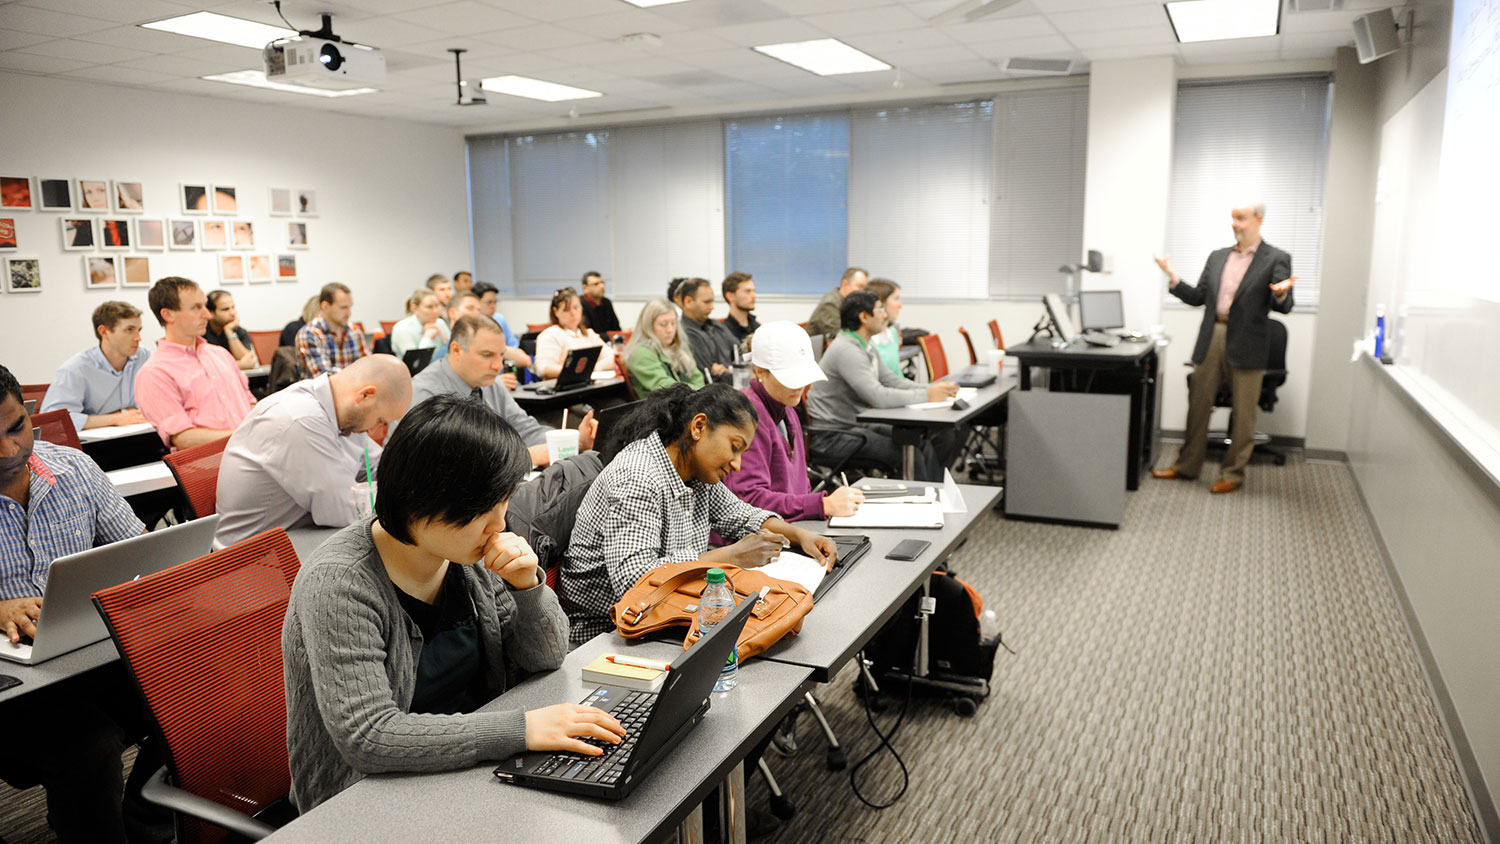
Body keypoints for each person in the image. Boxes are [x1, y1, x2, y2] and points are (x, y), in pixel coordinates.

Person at [282, 394, 622, 813]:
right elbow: (369, 737)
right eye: (484, 510)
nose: (500, 524)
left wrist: (527, 588)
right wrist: (520, 730)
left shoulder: (464, 555)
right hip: (365, 800)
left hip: (468, 770)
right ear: (423, 501)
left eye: (504, 503)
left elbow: (546, 658)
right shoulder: (341, 581)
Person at [560, 381, 837, 645]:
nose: (737, 464)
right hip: (607, 632)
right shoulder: (637, 476)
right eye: (734, 447)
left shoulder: (695, 470)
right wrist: (730, 556)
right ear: (699, 427)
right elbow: (635, 580)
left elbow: (741, 515)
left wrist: (799, 535)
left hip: (663, 612)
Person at [0, 363, 149, 844]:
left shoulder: (73, 469)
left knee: (201, 689)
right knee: (90, 748)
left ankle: (141, 825)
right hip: (14, 686)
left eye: (16, 427)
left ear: (28, 412)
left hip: (84, 652)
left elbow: (139, 551)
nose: (9, 451)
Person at [1152, 201, 1295, 494]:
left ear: (1258, 220)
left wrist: (1281, 295)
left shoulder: (1276, 258)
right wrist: (1173, 278)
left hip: (1248, 341)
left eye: (1241, 218)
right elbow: (1198, 297)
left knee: (1244, 413)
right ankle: (1186, 466)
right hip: (1212, 335)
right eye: (1233, 218)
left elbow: (1284, 305)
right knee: (1198, 405)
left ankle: (1233, 473)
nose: (1235, 224)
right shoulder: (1218, 257)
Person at [214, 355, 413, 549]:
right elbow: (345, 513)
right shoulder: (299, 420)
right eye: (380, 421)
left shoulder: (348, 415)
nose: (375, 430)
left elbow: (381, 468)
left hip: (299, 535)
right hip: (255, 558)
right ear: (365, 395)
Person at [805, 291, 959, 481]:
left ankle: (935, 493)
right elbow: (878, 397)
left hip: (855, 426)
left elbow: (892, 380)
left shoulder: (864, 345)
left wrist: (932, 389)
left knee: (918, 443)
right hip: (832, 437)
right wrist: (928, 395)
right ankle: (923, 496)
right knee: (907, 454)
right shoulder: (847, 350)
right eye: (880, 310)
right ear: (864, 317)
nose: (885, 315)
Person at [409, 315, 596, 467]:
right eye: (487, 355)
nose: (498, 366)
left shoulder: (490, 383)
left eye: (501, 356)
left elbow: (525, 429)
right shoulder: (424, 393)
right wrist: (524, 457)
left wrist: (576, 441)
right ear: (456, 350)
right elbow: (446, 465)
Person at [724, 322, 864, 521]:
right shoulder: (747, 416)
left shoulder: (787, 409)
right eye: (789, 377)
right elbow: (749, 500)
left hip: (789, 528)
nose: (799, 385)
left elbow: (800, 486)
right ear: (760, 372)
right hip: (759, 534)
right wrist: (822, 505)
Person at [134, 277, 256, 449]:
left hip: (253, 453)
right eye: (196, 308)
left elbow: (250, 403)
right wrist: (245, 436)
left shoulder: (221, 354)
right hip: (213, 462)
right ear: (168, 315)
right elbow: (184, 438)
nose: (207, 315)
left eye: (204, 306)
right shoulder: (154, 373)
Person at [41, 300, 151, 431]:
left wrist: (124, 414)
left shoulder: (143, 356)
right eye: (129, 330)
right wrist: (115, 419)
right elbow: (53, 421)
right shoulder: (75, 369)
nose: (138, 337)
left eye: (139, 330)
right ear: (103, 331)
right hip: (96, 441)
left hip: (138, 432)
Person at [623, 298, 704, 399]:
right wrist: (700, 393)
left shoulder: (679, 345)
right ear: (648, 326)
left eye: (673, 323)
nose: (670, 329)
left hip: (687, 400)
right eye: (663, 324)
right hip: (660, 406)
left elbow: (696, 376)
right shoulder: (640, 353)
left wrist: (702, 394)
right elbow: (666, 386)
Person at [533, 287, 615, 380]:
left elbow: (612, 357)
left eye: (576, 308)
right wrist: (578, 371)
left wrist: (596, 367)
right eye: (567, 310)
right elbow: (543, 369)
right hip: (563, 386)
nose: (573, 313)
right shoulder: (550, 335)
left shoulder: (589, 334)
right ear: (556, 311)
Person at [296, 282, 369, 377]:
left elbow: (367, 366)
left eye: (350, 307)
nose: (349, 313)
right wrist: (358, 375)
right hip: (325, 387)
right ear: (325, 306)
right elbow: (324, 377)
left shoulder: (354, 330)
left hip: (355, 385)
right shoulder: (309, 333)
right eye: (343, 307)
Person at [677, 277, 737, 384]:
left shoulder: (717, 326)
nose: (712, 307)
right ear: (688, 302)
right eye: (707, 302)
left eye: (712, 301)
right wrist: (735, 372)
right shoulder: (685, 334)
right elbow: (710, 377)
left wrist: (729, 371)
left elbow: (741, 353)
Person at [471, 281, 532, 374]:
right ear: (476, 302)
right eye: (489, 302)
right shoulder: (469, 324)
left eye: (495, 302)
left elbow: (515, 348)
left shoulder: (499, 319)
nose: (493, 307)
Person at [865, 278, 909, 380]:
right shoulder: (868, 340)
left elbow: (898, 376)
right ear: (880, 303)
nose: (900, 305)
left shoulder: (892, 332)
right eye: (896, 299)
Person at [390, 288, 450, 363]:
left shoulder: (440, 323)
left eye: (437, 306)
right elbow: (415, 362)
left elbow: (452, 351)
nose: (435, 311)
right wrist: (427, 338)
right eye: (429, 307)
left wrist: (444, 339)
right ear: (414, 308)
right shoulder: (401, 328)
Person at [204, 289, 259, 370]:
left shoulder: (239, 331)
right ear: (210, 313)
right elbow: (205, 366)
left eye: (233, 307)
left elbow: (249, 363)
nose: (232, 313)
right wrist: (238, 365)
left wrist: (230, 332)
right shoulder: (200, 332)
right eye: (225, 309)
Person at [805, 267, 868, 337]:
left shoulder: (850, 303)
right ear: (845, 284)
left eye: (864, 288)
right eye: (860, 286)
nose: (863, 292)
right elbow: (835, 336)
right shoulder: (830, 303)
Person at [721, 271, 760, 343]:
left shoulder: (758, 329)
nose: (754, 296)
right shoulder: (724, 333)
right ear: (730, 296)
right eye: (748, 291)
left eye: (753, 291)